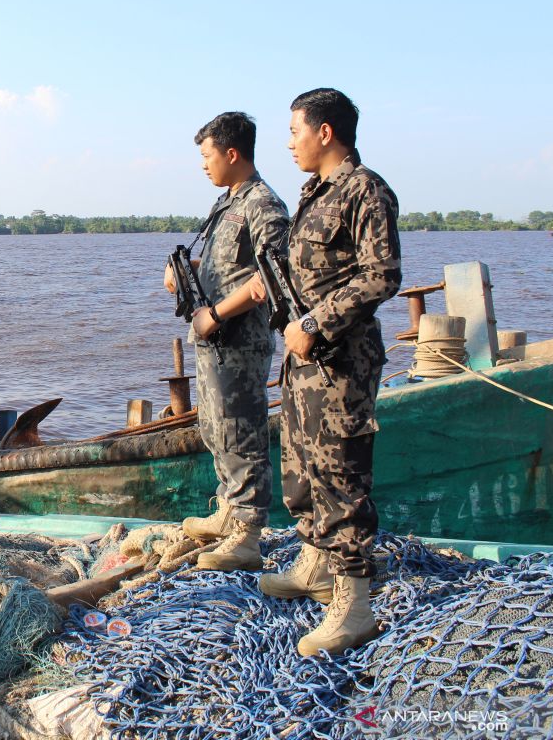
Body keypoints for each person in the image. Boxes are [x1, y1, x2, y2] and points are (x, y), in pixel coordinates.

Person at [257, 88, 401, 656]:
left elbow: (382, 273)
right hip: (303, 361)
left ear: (324, 132)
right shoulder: (314, 196)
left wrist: (316, 323)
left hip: (341, 360)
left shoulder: (365, 190)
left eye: (295, 130)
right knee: (302, 466)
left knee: (340, 471)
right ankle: (314, 562)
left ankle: (354, 603)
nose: (289, 142)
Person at [164, 112, 289, 572]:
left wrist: (215, 315)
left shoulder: (263, 205)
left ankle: (247, 534)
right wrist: (189, 273)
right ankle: (228, 511)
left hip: (238, 340)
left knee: (240, 432)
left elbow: (272, 275)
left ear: (231, 153)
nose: (204, 164)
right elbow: (230, 265)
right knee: (215, 428)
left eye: (207, 154)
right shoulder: (227, 202)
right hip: (214, 340)